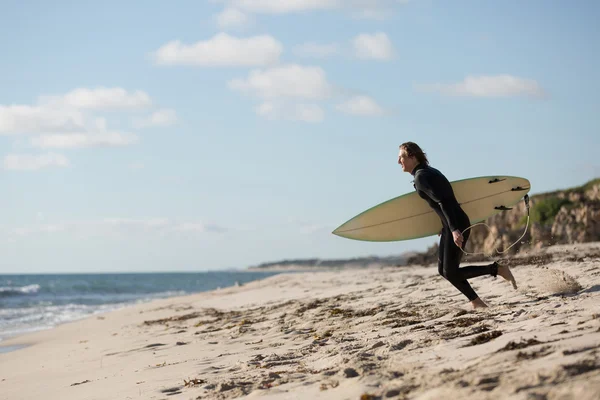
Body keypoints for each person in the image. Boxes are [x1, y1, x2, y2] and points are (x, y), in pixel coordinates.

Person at [398, 141, 517, 309]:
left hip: (456, 224)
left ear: (413, 156)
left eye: (401, 157)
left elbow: (444, 202)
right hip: (452, 223)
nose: (399, 161)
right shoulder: (428, 172)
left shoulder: (421, 177)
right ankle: (477, 300)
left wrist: (454, 229)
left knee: (450, 271)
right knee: (444, 270)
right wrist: (446, 226)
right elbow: (444, 201)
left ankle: (496, 271)